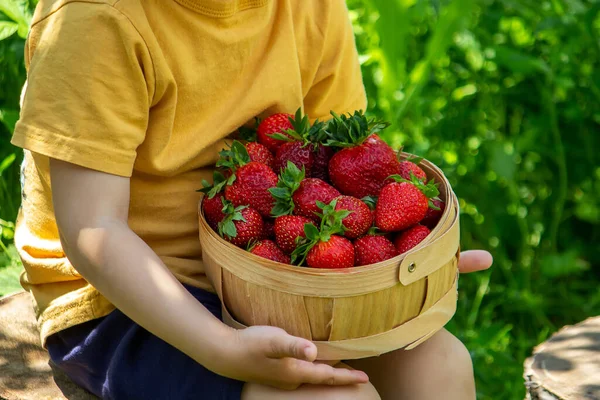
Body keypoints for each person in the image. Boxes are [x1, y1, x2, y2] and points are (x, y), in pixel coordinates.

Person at [11, 0, 493, 398]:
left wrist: (401, 261)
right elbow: (94, 231)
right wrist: (221, 347)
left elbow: (334, 166)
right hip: (124, 298)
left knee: (441, 366)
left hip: (273, 275)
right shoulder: (97, 19)